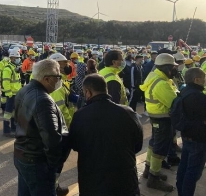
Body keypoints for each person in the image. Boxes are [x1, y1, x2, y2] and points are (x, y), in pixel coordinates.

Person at [69, 74, 143, 196]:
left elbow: (75, 145)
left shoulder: (80, 116)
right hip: (125, 180)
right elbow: (138, 145)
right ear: (106, 89)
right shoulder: (128, 112)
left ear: (88, 92)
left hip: (92, 182)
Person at [14, 59, 68, 196]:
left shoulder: (24, 90)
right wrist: (53, 165)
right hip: (37, 161)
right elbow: (51, 138)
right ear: (47, 79)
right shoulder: (43, 100)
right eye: (58, 77)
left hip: (22, 154)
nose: (59, 80)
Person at [139, 53, 178, 192]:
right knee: (160, 148)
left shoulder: (155, 76)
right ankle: (153, 178)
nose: (175, 70)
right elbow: (174, 103)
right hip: (163, 118)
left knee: (153, 143)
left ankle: (148, 170)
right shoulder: (161, 83)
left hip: (155, 117)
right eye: (173, 67)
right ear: (166, 68)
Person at [176, 68, 206, 196]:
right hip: (198, 140)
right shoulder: (199, 97)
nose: (205, 80)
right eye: (203, 78)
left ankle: (181, 191)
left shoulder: (184, 91)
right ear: (196, 79)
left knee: (184, 167)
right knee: (193, 173)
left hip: (187, 136)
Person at [49, 53, 75, 195]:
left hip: (62, 127)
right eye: (63, 64)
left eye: (66, 63)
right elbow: (62, 110)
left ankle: (54, 185)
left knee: (59, 162)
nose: (67, 66)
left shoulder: (62, 81)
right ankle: (52, 188)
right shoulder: (57, 85)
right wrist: (72, 125)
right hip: (62, 128)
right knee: (57, 162)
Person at [2, 50, 22, 137]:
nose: (18, 59)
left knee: (14, 112)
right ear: (12, 58)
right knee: (8, 113)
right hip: (11, 95)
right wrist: (9, 93)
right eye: (17, 58)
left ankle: (14, 128)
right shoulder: (8, 68)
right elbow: (5, 82)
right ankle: (6, 130)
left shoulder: (15, 68)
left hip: (16, 94)